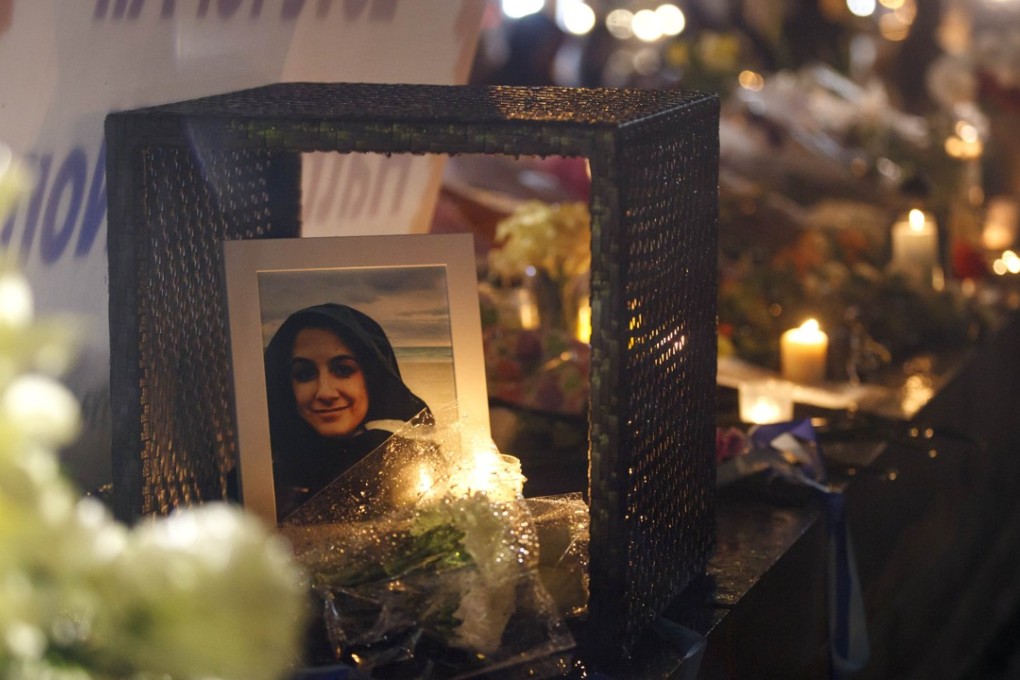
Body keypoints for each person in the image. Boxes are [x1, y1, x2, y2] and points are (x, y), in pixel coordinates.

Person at [263, 303, 431, 521]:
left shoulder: (416, 463)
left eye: (343, 370)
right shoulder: (260, 477)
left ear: (370, 378)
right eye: (304, 374)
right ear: (287, 386)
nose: (325, 392)